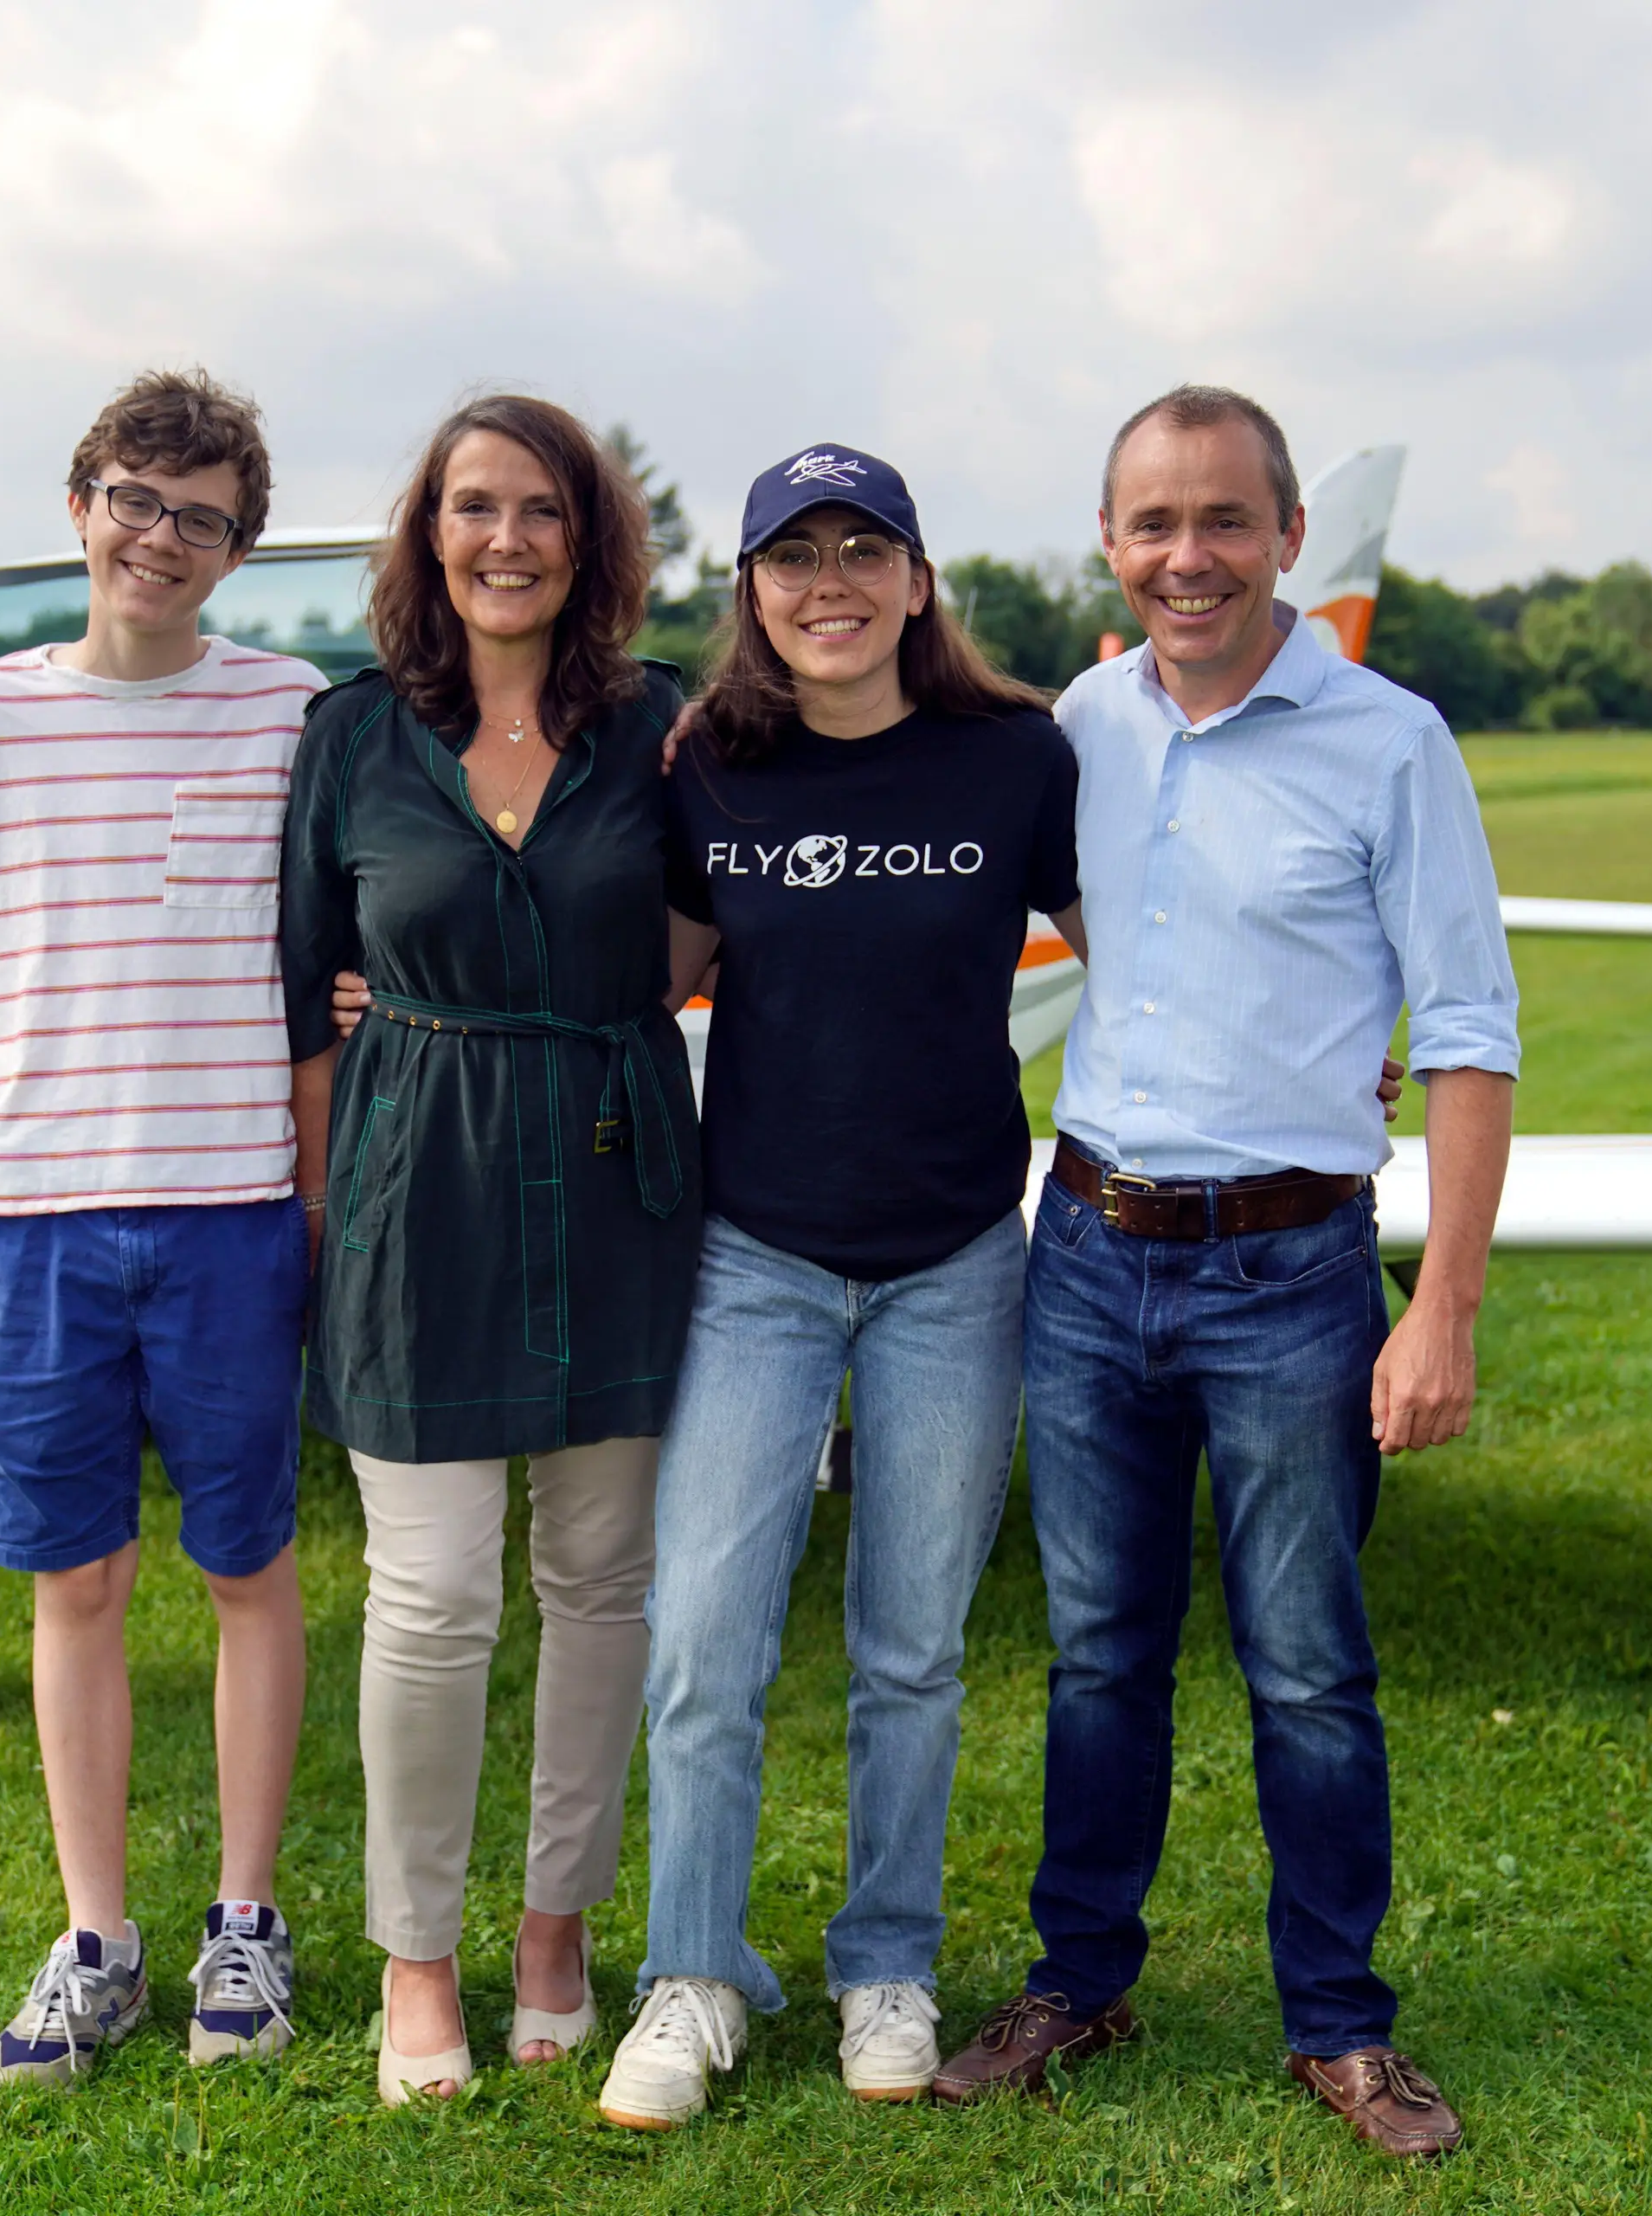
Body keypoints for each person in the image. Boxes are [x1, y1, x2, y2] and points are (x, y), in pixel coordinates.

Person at [931, 386, 1518, 2164]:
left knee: (1309, 1665)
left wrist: (1443, 1306)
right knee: (1099, 1654)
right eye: (1152, 524)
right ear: (1108, 544)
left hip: (1293, 1269)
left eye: (1225, 521)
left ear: (1286, 536)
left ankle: (1338, 2020)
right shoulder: (1071, 731)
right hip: (1092, 1256)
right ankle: (1080, 1977)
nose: (1189, 555)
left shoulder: (1389, 737)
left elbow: (1475, 1032)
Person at [584, 446, 1085, 2129]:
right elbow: (640, 984)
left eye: (864, 549)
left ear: (920, 581)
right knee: (705, 1639)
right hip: (758, 1260)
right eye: (791, 558)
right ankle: (693, 1971)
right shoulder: (707, 768)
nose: (830, 583)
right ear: (750, 596)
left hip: (955, 1258)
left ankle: (889, 1963)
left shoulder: (1015, 760)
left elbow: (1152, 951)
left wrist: (1327, 1048)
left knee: (912, 1647)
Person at [275, 393, 704, 2107]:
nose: (507, 537)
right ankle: (416, 1954)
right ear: (427, 532)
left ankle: (555, 1923)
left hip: (615, 1177)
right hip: (414, 1194)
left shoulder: (661, 727)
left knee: (601, 1581)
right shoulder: (353, 733)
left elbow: (719, 915)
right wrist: (325, 1213)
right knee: (432, 1591)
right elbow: (307, 993)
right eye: (474, 506)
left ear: (588, 539)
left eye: (541, 508)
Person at [0, 367, 318, 2087]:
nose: (162, 536)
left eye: (202, 516)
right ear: (83, 502)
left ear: (235, 550)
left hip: (232, 1210)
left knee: (248, 1568)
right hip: (43, 1212)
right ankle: (98, 1937)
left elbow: (333, 948)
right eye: (138, 499)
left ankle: (246, 1919)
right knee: (71, 1575)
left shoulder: (296, 709)